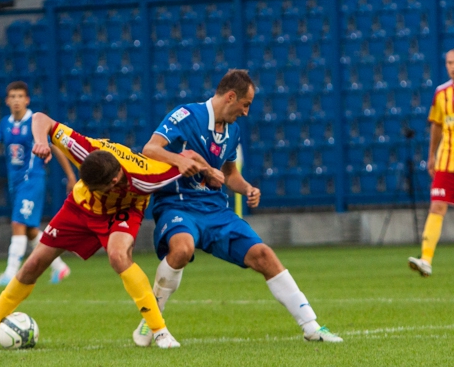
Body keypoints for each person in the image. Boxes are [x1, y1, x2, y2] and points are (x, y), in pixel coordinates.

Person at [0, 112, 213, 351]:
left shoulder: (148, 176)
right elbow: (40, 119)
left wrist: (210, 172)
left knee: (118, 256)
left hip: (123, 210)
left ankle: (160, 331)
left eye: (97, 187)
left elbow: (189, 157)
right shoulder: (84, 148)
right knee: (33, 263)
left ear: (113, 182)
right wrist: (41, 142)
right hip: (79, 209)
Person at [132, 69, 343, 346]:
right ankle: (151, 321)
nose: (246, 112)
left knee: (263, 255)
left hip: (215, 211)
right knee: (182, 248)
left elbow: (229, 174)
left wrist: (247, 188)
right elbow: (150, 149)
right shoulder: (186, 115)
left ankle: (311, 326)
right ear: (231, 97)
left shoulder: (233, 131)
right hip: (178, 205)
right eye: (246, 104)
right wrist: (179, 161)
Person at [0, 81, 77, 286]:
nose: (16, 100)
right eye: (12, 96)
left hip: (32, 180)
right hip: (16, 183)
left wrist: (71, 176)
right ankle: (59, 267)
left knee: (18, 224)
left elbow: (56, 147)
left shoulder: (35, 122)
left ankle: (10, 273)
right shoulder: (5, 123)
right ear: (7, 101)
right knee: (30, 230)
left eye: (20, 96)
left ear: (27, 100)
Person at [408, 49, 454, 277]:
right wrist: (432, 154)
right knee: (437, 206)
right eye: (449, 63)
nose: (452, 66)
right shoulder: (441, 93)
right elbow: (436, 124)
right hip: (446, 161)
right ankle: (426, 259)